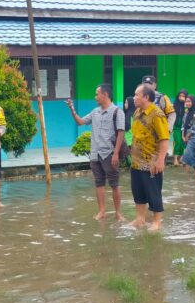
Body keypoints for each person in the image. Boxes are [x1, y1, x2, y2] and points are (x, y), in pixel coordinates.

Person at [67, 84, 126, 221]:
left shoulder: (117, 112)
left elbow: (121, 132)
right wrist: (72, 109)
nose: (95, 97)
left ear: (105, 95)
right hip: (95, 154)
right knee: (99, 183)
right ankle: (102, 211)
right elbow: (81, 122)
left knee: (114, 184)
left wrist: (116, 153)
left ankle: (118, 213)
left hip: (109, 153)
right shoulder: (95, 112)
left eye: (96, 94)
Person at [129, 84, 170, 231]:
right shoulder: (137, 112)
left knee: (153, 192)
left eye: (136, 95)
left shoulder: (157, 114)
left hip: (151, 162)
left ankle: (157, 221)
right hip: (136, 162)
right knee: (138, 192)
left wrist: (160, 160)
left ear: (146, 97)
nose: (134, 98)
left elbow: (164, 139)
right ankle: (140, 219)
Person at [181, 95, 195, 177]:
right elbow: (183, 124)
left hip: (194, 136)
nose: (187, 103)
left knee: (186, 157)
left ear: (193, 102)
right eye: (186, 101)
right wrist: (183, 135)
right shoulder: (187, 112)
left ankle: (188, 176)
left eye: (189, 101)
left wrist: (188, 136)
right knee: (192, 155)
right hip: (186, 135)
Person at [172, 89, 188, 165]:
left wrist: (185, 104)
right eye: (180, 96)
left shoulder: (187, 105)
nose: (181, 97)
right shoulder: (174, 105)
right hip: (176, 127)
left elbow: (187, 114)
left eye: (183, 96)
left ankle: (180, 158)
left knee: (183, 143)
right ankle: (175, 159)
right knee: (177, 142)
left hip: (184, 127)